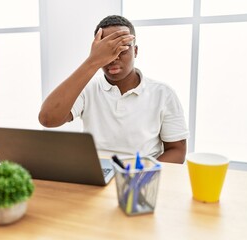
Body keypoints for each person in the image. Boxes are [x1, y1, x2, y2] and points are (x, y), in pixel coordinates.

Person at [38, 15, 189, 164]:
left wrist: (142, 174)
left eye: (122, 49)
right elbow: (47, 119)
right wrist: (93, 61)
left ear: (135, 51)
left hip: (141, 177)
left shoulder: (163, 93)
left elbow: (177, 150)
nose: (114, 57)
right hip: (96, 175)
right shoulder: (87, 89)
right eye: (107, 51)